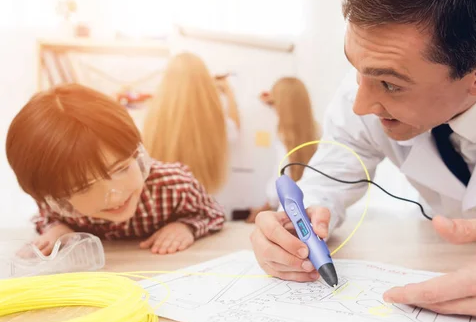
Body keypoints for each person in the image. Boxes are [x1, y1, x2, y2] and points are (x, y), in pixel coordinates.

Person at [250, 0, 476, 322]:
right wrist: (290, 229)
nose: (360, 105)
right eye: (355, 68)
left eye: (390, 84)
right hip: (450, 260)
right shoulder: (376, 72)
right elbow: (325, 185)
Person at [6, 83, 225, 255]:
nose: (114, 196)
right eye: (83, 188)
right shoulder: (56, 200)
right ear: (56, 198)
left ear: (137, 153)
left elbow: (212, 213)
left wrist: (186, 226)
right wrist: (58, 228)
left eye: (120, 169)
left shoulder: (174, 185)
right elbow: (45, 217)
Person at [142, 51, 240, 196]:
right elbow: (235, 128)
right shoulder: (216, 124)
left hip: (159, 202)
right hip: (203, 204)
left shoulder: (150, 120)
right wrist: (228, 90)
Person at [245, 77, 320, 223]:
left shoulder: (284, 136)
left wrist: (266, 207)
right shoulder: (316, 131)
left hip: (284, 210)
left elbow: (280, 177)